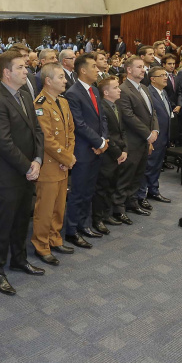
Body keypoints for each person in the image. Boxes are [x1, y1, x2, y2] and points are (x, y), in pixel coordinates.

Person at [0, 49, 46, 296]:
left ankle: (18, 259)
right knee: (3, 225)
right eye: (21, 67)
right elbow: (3, 142)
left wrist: (38, 160)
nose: (26, 70)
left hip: (28, 170)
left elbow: (37, 132)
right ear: (7, 73)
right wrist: (28, 166)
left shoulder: (23, 95)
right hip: (9, 174)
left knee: (22, 219)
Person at [31, 63, 76, 262]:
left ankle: (55, 238)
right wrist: (66, 158)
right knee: (45, 208)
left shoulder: (63, 102)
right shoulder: (40, 104)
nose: (65, 80)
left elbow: (70, 133)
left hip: (62, 163)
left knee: (59, 206)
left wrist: (68, 158)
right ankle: (41, 245)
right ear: (48, 81)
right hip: (50, 164)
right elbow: (46, 139)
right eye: (60, 77)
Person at [63, 53, 106, 248]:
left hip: (96, 148)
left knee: (89, 191)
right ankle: (72, 230)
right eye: (94, 66)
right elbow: (78, 124)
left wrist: (103, 140)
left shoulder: (95, 91)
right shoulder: (73, 93)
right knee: (78, 192)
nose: (98, 70)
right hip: (82, 150)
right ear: (83, 70)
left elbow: (102, 118)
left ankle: (85, 224)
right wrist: (98, 142)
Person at [117, 56, 159, 211]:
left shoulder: (145, 88)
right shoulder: (123, 89)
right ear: (129, 70)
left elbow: (151, 112)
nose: (143, 70)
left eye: (143, 67)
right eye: (139, 67)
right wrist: (148, 134)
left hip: (144, 140)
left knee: (138, 175)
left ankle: (132, 203)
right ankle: (119, 208)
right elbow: (128, 116)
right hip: (132, 141)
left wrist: (155, 129)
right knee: (126, 176)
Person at [92, 76, 130, 226]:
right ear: (106, 92)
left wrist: (125, 149)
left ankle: (107, 214)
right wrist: (118, 153)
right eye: (115, 87)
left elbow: (123, 130)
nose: (119, 90)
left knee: (112, 186)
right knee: (102, 188)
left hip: (119, 152)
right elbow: (105, 134)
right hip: (108, 154)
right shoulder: (102, 107)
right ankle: (97, 218)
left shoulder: (117, 106)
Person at [139, 65, 175, 199]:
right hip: (153, 138)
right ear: (153, 79)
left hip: (164, 136)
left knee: (156, 166)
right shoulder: (148, 93)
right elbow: (147, 118)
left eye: (166, 75)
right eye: (162, 76)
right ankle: (141, 195)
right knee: (148, 167)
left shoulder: (163, 92)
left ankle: (154, 190)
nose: (166, 78)